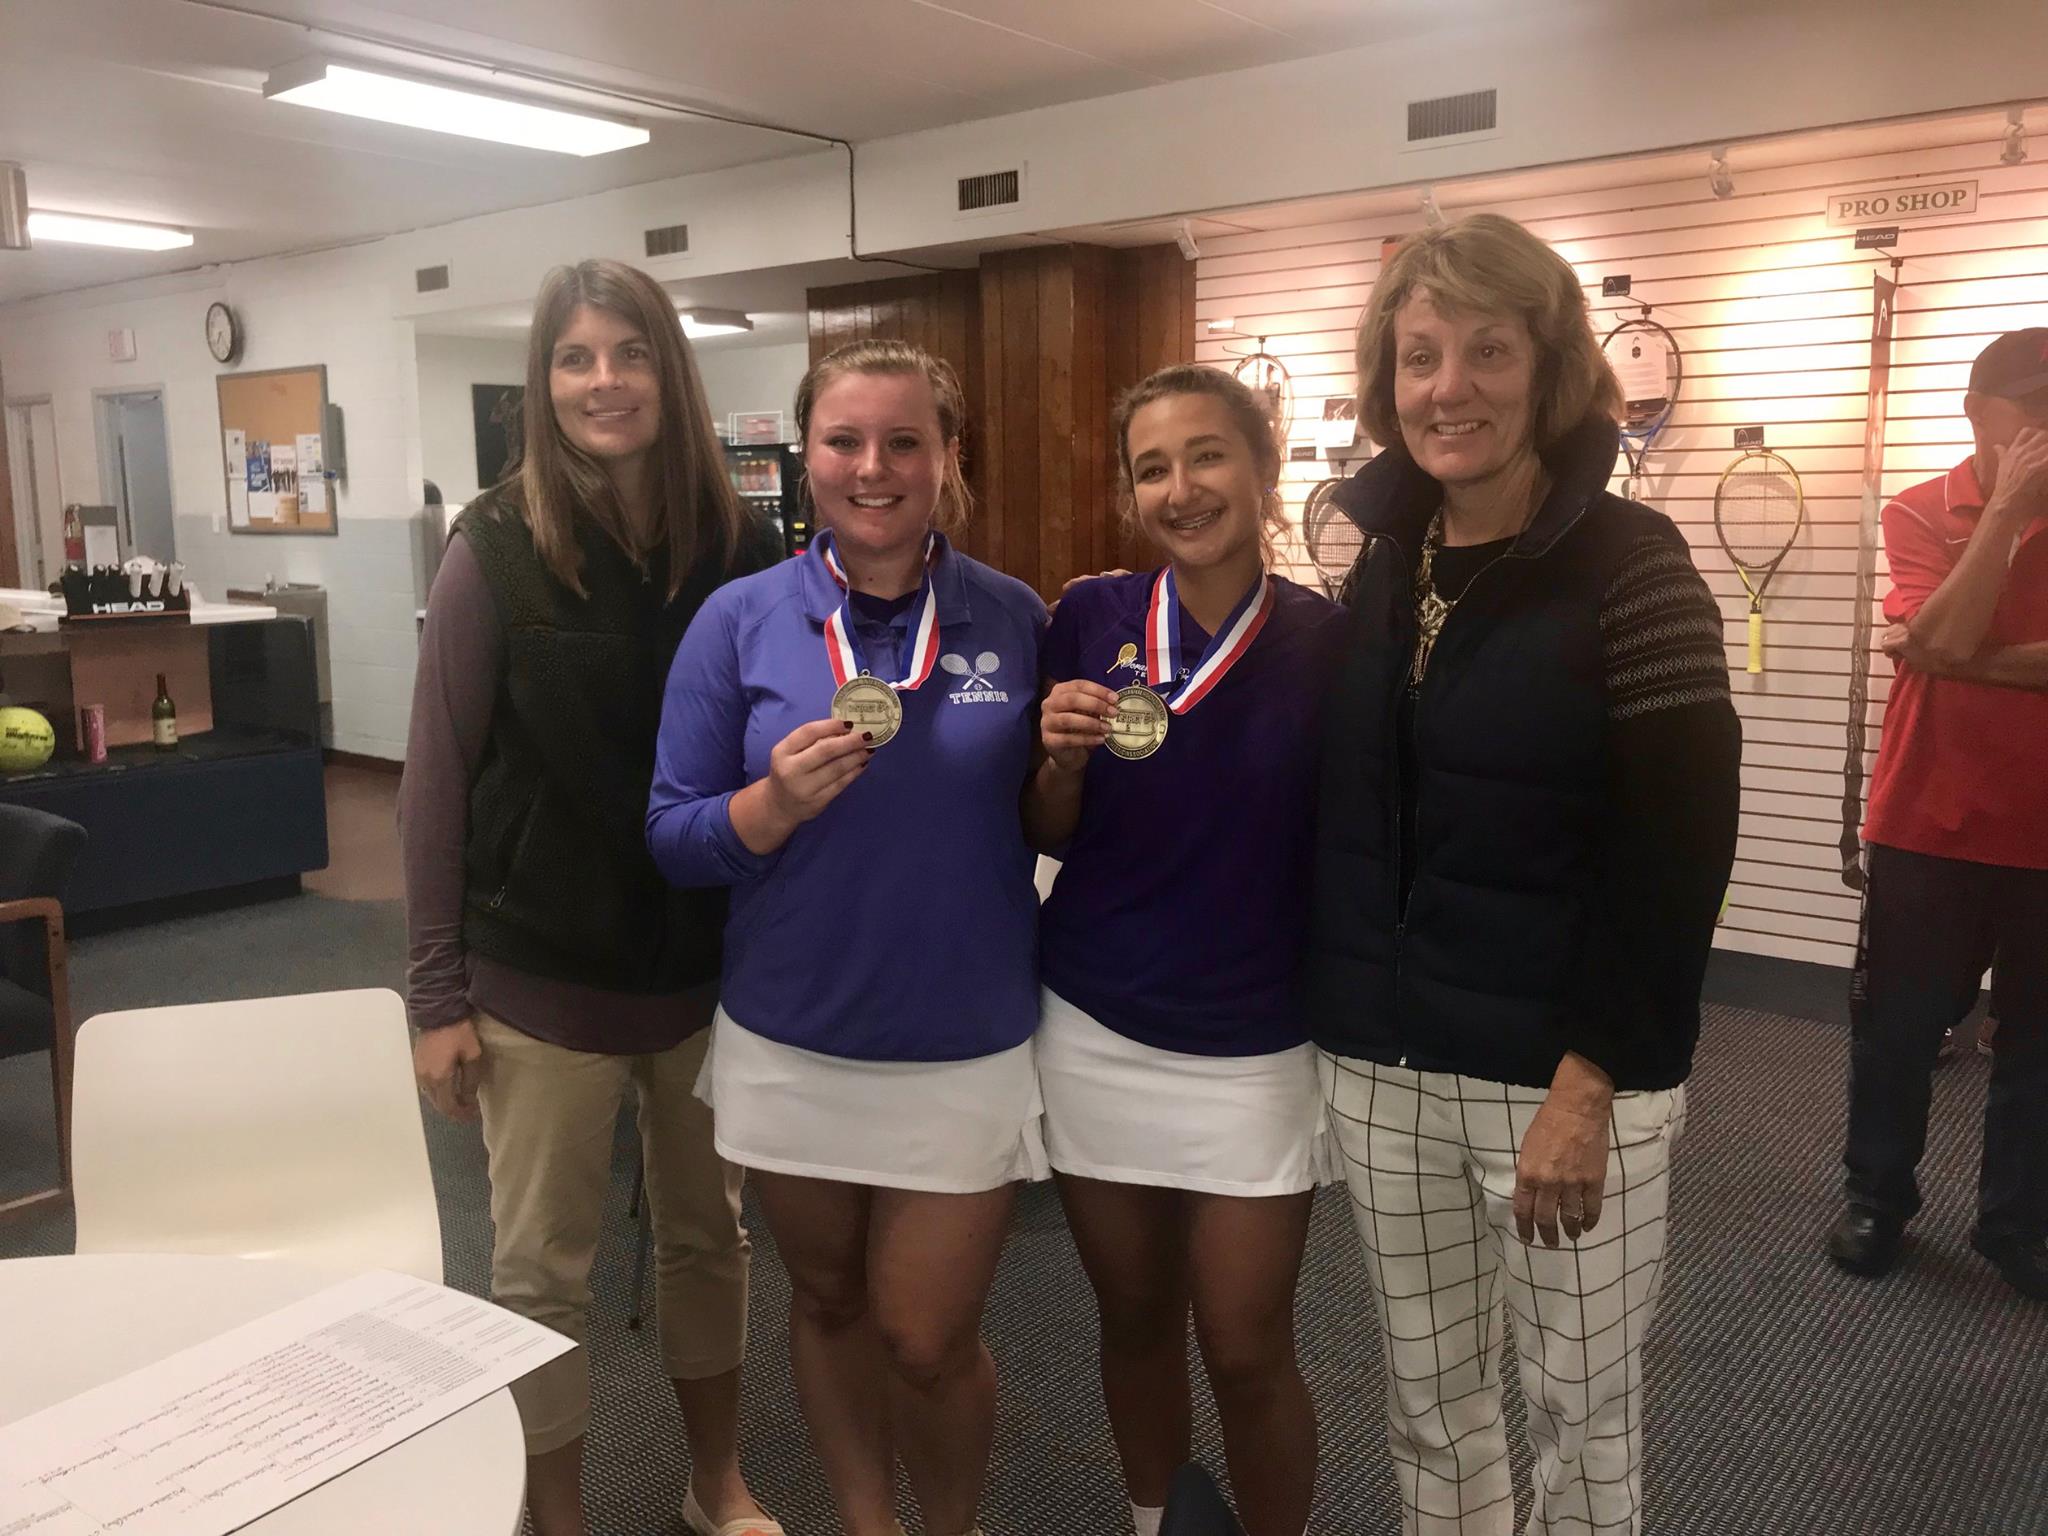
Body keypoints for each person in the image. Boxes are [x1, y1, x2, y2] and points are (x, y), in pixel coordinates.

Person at [1301, 213, 1740, 1535]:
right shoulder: (1378, 562)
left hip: (1558, 1081)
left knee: (1581, 1413)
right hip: (1385, 1066)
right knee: (1429, 1403)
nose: (1451, 389)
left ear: (1548, 369)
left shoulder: (1636, 572)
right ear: (1386, 381)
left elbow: (1676, 858)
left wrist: (1592, 1083)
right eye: (1421, 355)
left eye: (1488, 350)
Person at [401, 258, 784, 1536]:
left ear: (667, 373)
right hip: (537, 980)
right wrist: (434, 993)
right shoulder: (493, 549)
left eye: (626, 353)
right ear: (543, 382)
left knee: (707, 1244)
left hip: (702, 976)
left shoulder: (741, 546)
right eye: (574, 358)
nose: (602, 380)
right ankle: (553, 1510)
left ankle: (713, 1479)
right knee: (538, 1270)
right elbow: (435, 784)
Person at [646, 338, 1047, 1536]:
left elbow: (1056, 812)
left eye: (904, 442)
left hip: (961, 1035)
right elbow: (672, 833)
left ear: (947, 459)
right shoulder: (740, 621)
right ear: (804, 458)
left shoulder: (1016, 616)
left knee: (927, 1339)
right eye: (843, 441)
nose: (872, 468)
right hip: (793, 1030)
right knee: (823, 1304)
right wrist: (766, 807)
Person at [1024, 364, 1343, 1536]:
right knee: (1133, 1314)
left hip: (1259, 1040)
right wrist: (1055, 765)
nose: (1181, 487)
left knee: (1250, 1345)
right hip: (1096, 1021)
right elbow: (1043, 829)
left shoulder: (1328, 642)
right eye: (1152, 467)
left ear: (1260, 470)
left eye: (1206, 455)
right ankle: (1153, 1518)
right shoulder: (1089, 619)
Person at [1826, 327, 2048, 1301]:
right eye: (2031, 411)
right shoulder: (1922, 509)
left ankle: (2016, 1224)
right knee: (1897, 1034)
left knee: (2037, 1050)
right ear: (1976, 415)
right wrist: (2003, 511)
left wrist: (1943, 655)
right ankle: (1876, 1198)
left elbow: (1938, 642)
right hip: (1923, 824)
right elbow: (1940, 625)